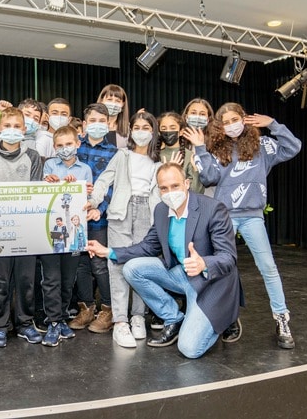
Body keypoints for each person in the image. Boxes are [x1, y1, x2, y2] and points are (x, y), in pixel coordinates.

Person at [86, 162, 241, 359]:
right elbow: (148, 247)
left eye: (175, 186)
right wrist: (108, 251)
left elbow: (228, 256)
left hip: (210, 282)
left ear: (186, 183)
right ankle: (173, 318)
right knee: (132, 269)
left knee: (189, 349)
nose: (170, 192)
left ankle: (224, 315)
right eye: (164, 188)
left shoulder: (213, 208)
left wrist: (204, 263)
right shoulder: (161, 210)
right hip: (182, 274)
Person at [186, 102, 301, 349]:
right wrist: (200, 148)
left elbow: (294, 147)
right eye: (225, 122)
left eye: (234, 120)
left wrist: (273, 124)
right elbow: (208, 178)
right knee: (220, 267)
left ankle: (282, 319)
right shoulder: (217, 150)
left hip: (252, 216)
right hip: (224, 217)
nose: (231, 126)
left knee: (268, 267)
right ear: (220, 126)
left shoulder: (262, 146)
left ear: (244, 119)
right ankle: (221, 318)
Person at [86, 110, 162, 348]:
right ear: (130, 131)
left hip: (147, 213)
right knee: (117, 264)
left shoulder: (158, 161)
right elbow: (104, 180)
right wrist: (94, 201)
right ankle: (120, 321)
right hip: (121, 211)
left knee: (141, 264)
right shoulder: (122, 155)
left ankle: (138, 315)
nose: (141, 132)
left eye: (146, 128)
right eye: (136, 128)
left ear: (153, 132)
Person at [0, 107, 44, 348]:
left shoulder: (33, 157)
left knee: (26, 280)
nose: (12, 130)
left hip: (27, 230)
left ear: (24, 129)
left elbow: (36, 192)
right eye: (7, 126)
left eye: (17, 126)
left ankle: (25, 323)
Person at [38, 125, 93, 346]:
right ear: (54, 147)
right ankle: (52, 321)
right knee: (51, 278)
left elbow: (87, 197)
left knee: (68, 279)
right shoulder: (50, 165)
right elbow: (41, 193)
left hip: (74, 234)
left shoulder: (85, 169)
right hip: (51, 231)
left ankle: (61, 318)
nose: (65, 148)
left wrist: (83, 191)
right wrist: (50, 182)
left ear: (77, 144)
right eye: (60, 145)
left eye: (69, 144)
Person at [69, 104, 116, 333]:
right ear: (85, 124)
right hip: (74, 217)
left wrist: (101, 208)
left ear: (109, 124)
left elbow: (115, 185)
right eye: (93, 120)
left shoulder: (115, 153)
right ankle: (86, 308)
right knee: (80, 265)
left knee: (99, 264)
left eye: (102, 121)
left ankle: (108, 310)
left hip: (99, 218)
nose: (97, 124)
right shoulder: (75, 147)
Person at [158, 111, 204, 194]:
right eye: (164, 129)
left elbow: (196, 190)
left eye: (172, 128)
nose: (168, 131)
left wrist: (195, 171)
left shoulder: (190, 156)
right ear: (159, 132)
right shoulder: (156, 155)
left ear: (181, 132)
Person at [97, 84, 130, 148]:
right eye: (109, 99)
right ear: (101, 100)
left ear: (123, 104)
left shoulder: (128, 128)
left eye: (117, 101)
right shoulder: (91, 126)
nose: (113, 104)